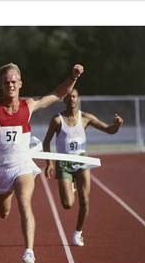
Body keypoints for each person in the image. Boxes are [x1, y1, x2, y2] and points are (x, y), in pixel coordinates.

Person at [0, 59, 84, 263]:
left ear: (20, 83)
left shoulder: (28, 105)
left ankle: (29, 252)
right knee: (3, 213)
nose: (10, 85)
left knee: (24, 204)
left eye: (13, 81)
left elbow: (58, 94)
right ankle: (7, 193)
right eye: (6, 82)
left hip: (22, 166)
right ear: (0, 86)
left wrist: (73, 77)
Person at [42, 88, 123, 247]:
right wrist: (49, 163)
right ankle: (71, 187)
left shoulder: (85, 118)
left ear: (78, 100)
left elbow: (109, 130)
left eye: (74, 96)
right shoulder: (57, 120)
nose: (71, 99)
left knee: (85, 200)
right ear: (64, 100)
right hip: (64, 163)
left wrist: (117, 125)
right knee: (67, 204)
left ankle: (78, 233)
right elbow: (46, 142)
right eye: (68, 97)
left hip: (82, 162)